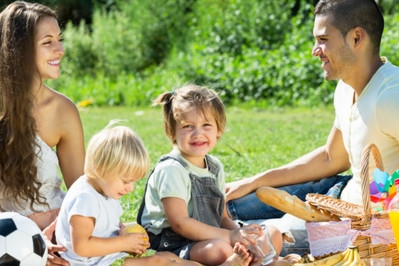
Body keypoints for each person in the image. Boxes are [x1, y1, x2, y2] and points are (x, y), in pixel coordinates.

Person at [225, 0, 399, 256]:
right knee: (230, 203)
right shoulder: (345, 87)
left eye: (323, 39)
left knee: (252, 242)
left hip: (360, 230)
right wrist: (253, 181)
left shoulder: (390, 97)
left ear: (356, 37)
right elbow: (331, 157)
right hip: (335, 197)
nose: (315, 50)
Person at [55, 122, 252, 266]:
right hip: (92, 263)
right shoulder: (85, 198)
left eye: (133, 181)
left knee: (167, 259)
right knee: (159, 262)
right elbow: (82, 246)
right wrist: (122, 242)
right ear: (100, 169)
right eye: (126, 181)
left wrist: (122, 234)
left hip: (106, 258)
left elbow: (103, 225)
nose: (130, 188)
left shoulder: (104, 190)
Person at [137, 85, 283, 265]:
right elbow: (179, 223)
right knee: (220, 249)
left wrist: (243, 236)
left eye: (206, 125)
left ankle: (247, 260)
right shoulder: (172, 168)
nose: (198, 134)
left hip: (211, 237)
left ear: (218, 130)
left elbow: (221, 218)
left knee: (272, 233)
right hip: (173, 244)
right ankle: (246, 261)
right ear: (171, 131)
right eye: (187, 126)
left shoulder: (215, 167)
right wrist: (231, 237)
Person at [0, 1, 85, 264]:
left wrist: (46, 235)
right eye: (48, 42)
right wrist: (23, 237)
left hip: (55, 225)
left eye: (59, 40)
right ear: (20, 50)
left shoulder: (63, 110)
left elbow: (81, 192)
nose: (59, 49)